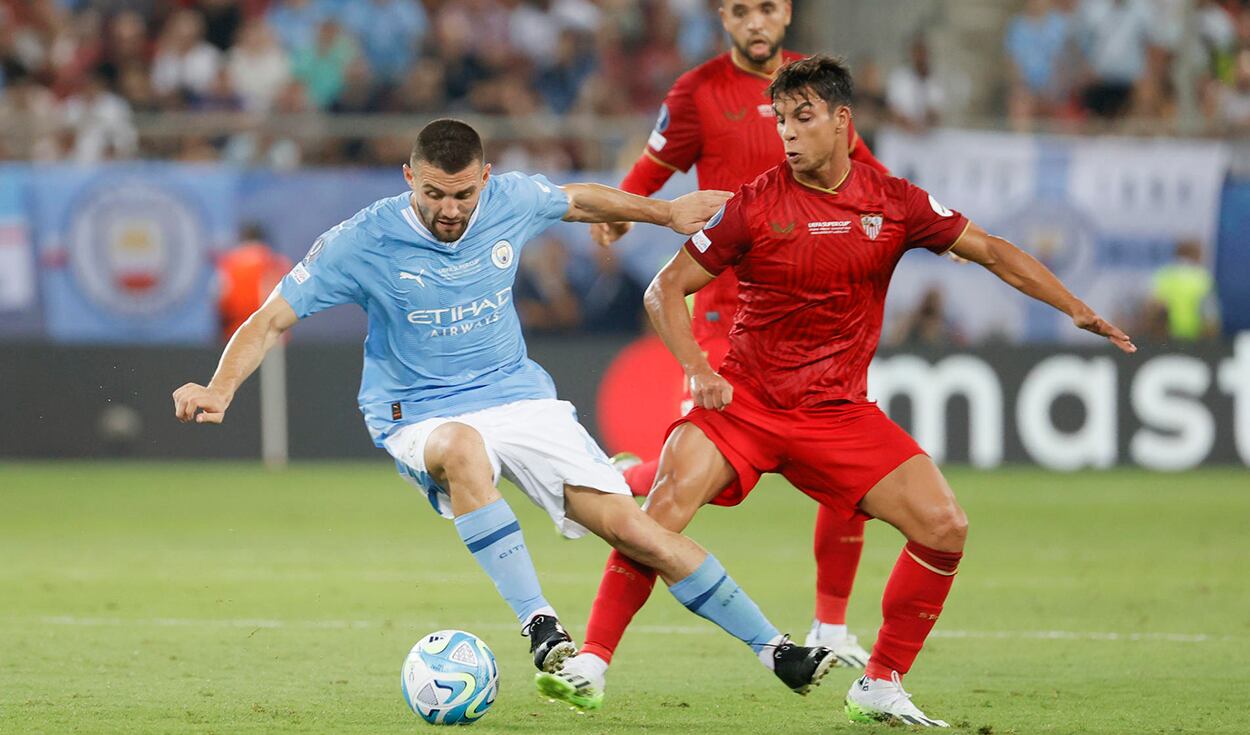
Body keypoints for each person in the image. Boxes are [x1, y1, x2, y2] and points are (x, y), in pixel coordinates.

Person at [543, 57, 1136, 726]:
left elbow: (993, 250)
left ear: (841, 121)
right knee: (662, 512)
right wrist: (698, 369)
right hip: (744, 403)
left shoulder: (895, 202)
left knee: (944, 527)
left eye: (803, 118)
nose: (788, 134)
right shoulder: (754, 204)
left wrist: (1076, 306)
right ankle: (591, 661)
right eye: (780, 120)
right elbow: (665, 289)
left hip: (836, 411)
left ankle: (880, 681)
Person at [172, 118, 836, 696]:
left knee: (632, 530)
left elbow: (575, 200)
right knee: (461, 446)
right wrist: (219, 387)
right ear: (409, 177)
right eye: (433, 192)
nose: (450, 208)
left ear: (485, 179)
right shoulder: (361, 241)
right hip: (419, 411)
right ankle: (540, 622)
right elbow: (268, 319)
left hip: (518, 395)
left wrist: (665, 212)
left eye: (463, 193)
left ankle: (775, 649)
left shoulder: (511, 197)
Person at [589, 0, 889, 672]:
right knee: (698, 472)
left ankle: (832, 625)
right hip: (732, 308)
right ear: (724, 17)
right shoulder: (698, 93)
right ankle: (615, 489)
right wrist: (621, 212)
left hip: (813, 313)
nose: (757, 23)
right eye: (742, 10)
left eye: (769, 9)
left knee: (851, 468)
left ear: (787, 15)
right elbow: (656, 160)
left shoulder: (814, 94)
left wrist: (926, 230)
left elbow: (863, 174)